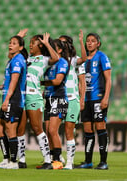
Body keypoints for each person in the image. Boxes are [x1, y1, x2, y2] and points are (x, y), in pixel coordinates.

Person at [16, 30, 60, 169]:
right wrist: (19, 38)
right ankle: (21, 160)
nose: (30, 45)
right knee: (20, 129)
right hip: (22, 95)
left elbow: (56, 58)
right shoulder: (27, 58)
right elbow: (12, 56)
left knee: (37, 128)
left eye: (32, 43)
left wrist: (47, 44)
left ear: (40, 46)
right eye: (29, 43)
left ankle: (48, 160)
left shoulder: (44, 60)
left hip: (34, 96)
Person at [0, 35, 27, 169]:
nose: (10, 45)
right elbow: (8, 82)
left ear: (20, 47)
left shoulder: (17, 61)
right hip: (8, 97)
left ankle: (14, 162)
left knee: (11, 130)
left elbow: (14, 83)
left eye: (14, 43)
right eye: (10, 43)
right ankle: (6, 159)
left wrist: (6, 100)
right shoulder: (12, 60)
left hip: (14, 99)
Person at [75, 33, 111, 170]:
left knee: (101, 128)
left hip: (98, 97)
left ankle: (103, 161)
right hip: (86, 99)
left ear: (98, 43)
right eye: (88, 41)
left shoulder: (102, 57)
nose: (89, 43)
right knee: (88, 130)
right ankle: (88, 161)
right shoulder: (82, 60)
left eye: (93, 41)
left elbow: (108, 79)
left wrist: (105, 98)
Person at [58, 30, 87, 170]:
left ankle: (69, 161)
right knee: (52, 128)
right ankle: (57, 157)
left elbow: (82, 82)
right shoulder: (55, 61)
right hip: (58, 98)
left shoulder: (75, 60)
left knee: (69, 130)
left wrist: (82, 99)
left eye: (63, 42)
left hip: (72, 99)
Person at [41, 39, 70, 170]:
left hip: (59, 98)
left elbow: (58, 81)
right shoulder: (50, 63)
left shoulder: (63, 62)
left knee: (53, 130)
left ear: (59, 50)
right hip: (48, 98)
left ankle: (58, 160)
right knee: (48, 131)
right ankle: (53, 159)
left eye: (53, 47)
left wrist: (40, 83)